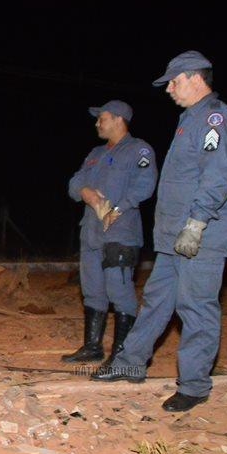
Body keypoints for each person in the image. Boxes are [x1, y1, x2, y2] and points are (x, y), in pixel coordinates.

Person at [92, 51, 227, 413]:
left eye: (174, 81)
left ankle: (194, 385)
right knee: (157, 301)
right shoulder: (189, 120)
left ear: (194, 78)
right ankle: (131, 362)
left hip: (200, 235)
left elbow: (218, 175)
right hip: (175, 237)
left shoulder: (214, 119)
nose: (170, 89)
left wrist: (196, 223)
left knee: (196, 308)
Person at [64, 100, 157, 364]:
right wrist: (86, 193)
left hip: (120, 231)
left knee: (120, 291)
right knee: (92, 289)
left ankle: (122, 353)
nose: (97, 123)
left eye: (101, 118)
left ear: (118, 119)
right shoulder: (95, 152)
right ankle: (92, 347)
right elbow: (75, 182)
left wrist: (118, 207)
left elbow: (145, 185)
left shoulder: (139, 150)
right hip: (91, 232)